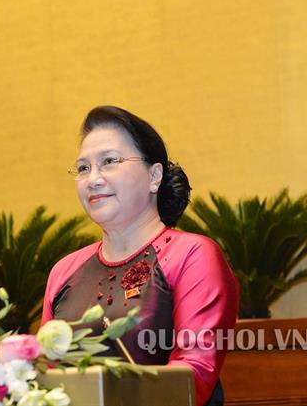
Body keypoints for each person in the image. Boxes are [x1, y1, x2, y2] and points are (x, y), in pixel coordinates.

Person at [42, 105, 239, 406]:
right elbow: (44, 375)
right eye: (83, 168)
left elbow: (194, 374)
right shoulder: (64, 271)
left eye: (109, 161)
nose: (93, 178)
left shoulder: (192, 255)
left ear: (154, 176)